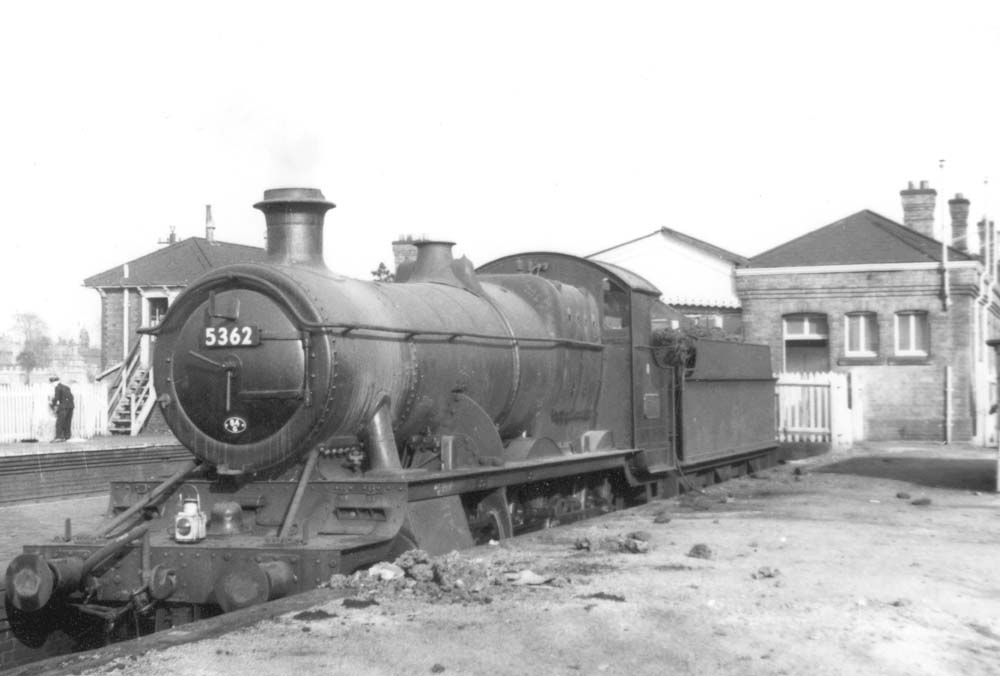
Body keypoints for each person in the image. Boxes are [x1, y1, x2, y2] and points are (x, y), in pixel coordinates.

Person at [49, 375, 74, 442]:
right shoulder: (66, 387)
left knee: (59, 422)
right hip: (71, 406)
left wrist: (52, 404)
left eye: (51, 383)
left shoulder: (57, 387)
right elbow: (71, 397)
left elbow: (57, 398)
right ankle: (67, 436)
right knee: (67, 422)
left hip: (63, 407)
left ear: (53, 382)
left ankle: (58, 437)